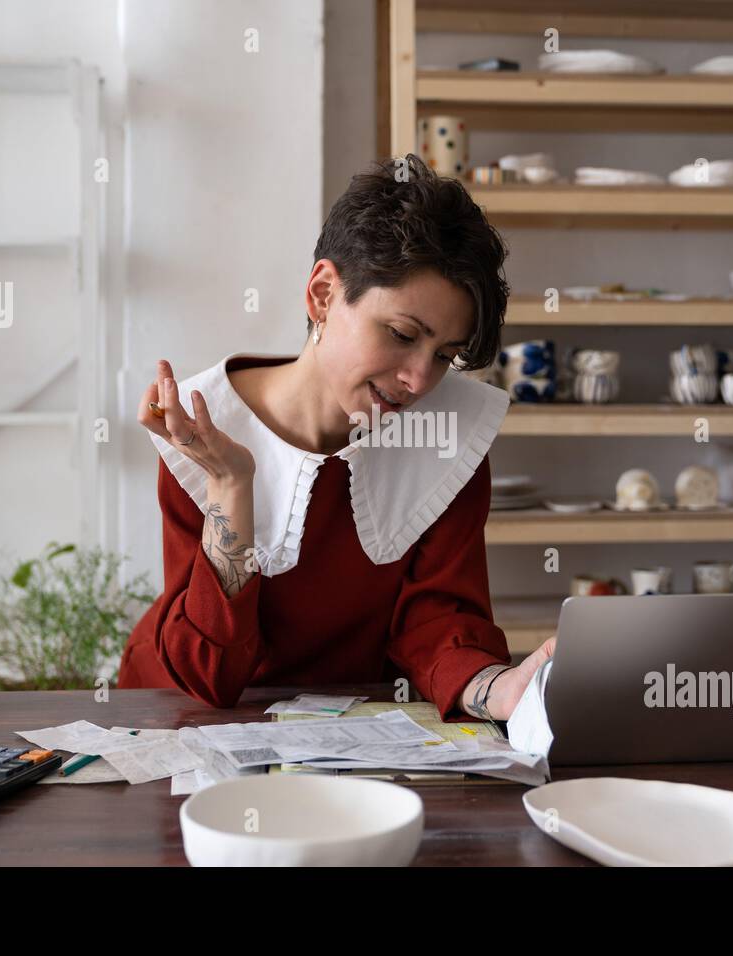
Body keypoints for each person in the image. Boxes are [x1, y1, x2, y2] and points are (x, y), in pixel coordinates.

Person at [118, 153, 555, 721]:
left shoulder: (449, 432)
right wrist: (231, 484)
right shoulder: (205, 426)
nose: (419, 379)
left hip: (355, 726)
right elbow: (208, 675)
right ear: (323, 294)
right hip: (180, 716)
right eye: (401, 334)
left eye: (445, 355)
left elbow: (439, 621)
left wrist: (497, 689)